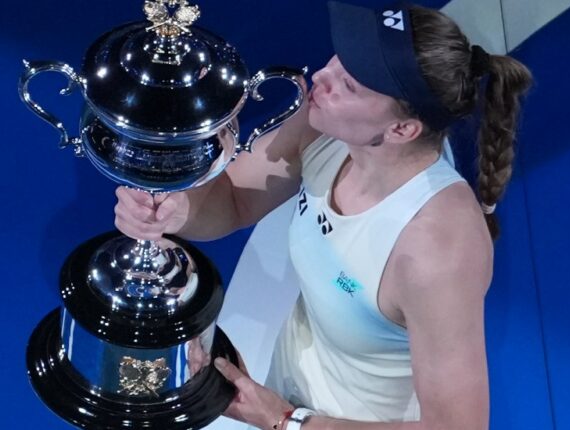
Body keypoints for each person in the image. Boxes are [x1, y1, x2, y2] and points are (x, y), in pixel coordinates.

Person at [114, 0, 532, 428]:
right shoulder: (322, 127)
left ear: (401, 130)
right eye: (339, 58)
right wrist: (174, 209)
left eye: (350, 84)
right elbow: (235, 202)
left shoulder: (435, 249)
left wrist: (285, 419)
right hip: (289, 396)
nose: (321, 77)